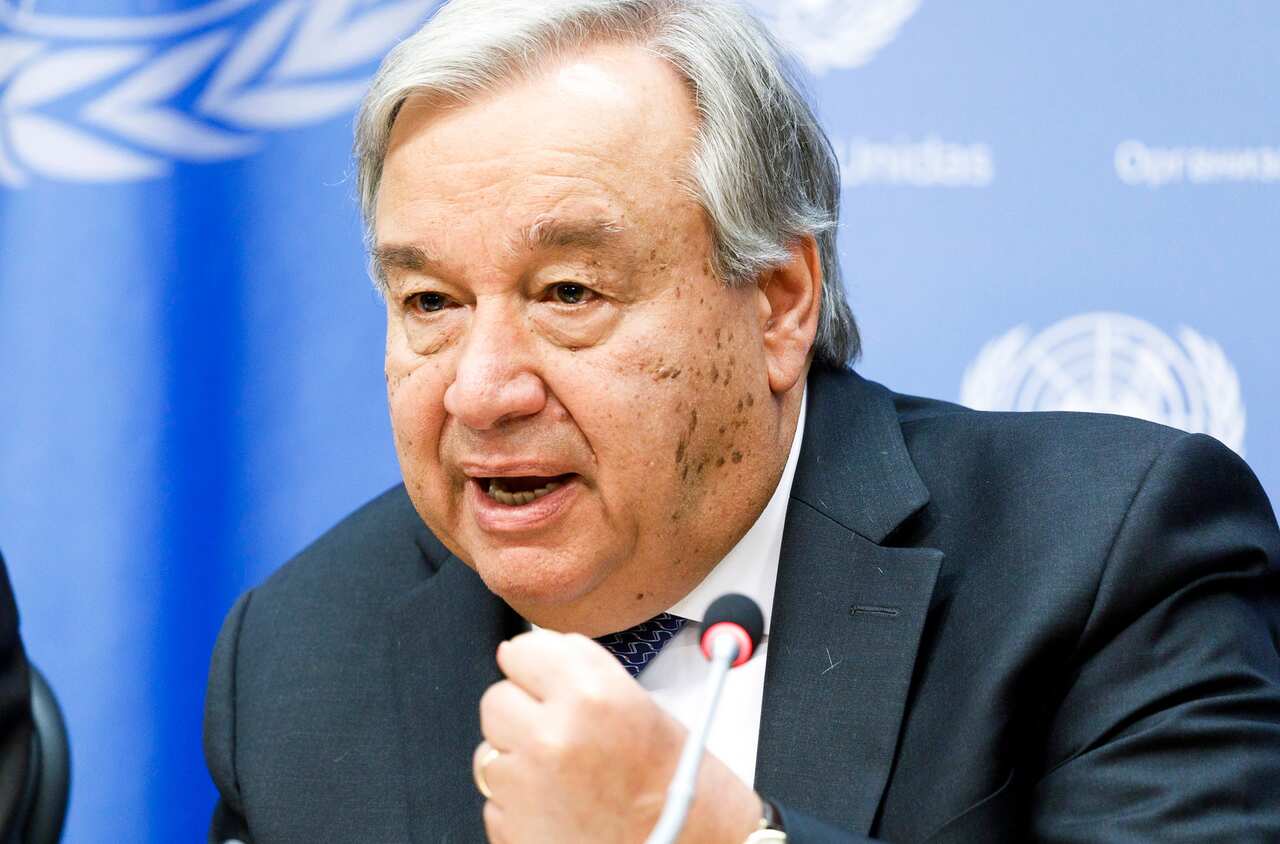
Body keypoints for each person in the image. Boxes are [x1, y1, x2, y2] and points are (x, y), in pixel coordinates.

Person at [203, 1, 1280, 841]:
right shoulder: (300, 653)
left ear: (775, 302)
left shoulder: (1101, 563)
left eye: (569, 293)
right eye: (430, 303)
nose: (483, 391)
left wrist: (714, 839)